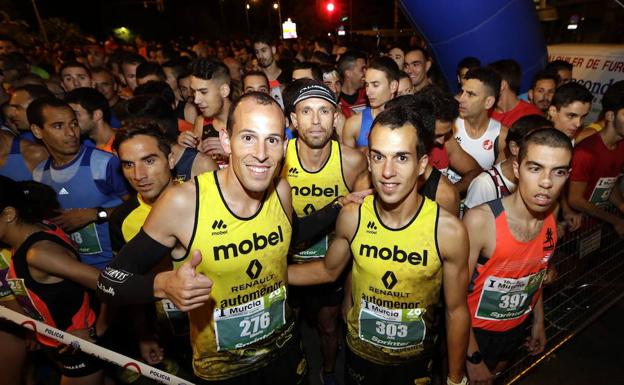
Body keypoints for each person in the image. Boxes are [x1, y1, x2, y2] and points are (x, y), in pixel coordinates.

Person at [97, 91, 359, 383]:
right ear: (226, 141)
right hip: (224, 370)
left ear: (284, 146)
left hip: (286, 353)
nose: (261, 153)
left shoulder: (281, 191)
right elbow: (109, 282)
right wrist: (161, 284)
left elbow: (292, 236)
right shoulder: (183, 202)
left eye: (272, 140)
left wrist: (341, 207)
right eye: (248, 137)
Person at [288, 104, 470, 385]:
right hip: (360, 357)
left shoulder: (448, 231)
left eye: (401, 157)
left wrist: (456, 379)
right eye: (379, 157)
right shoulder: (353, 215)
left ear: (421, 165)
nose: (387, 171)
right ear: (369, 161)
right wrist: (266, 274)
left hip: (416, 362)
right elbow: (328, 271)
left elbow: (456, 310)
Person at [463, 128, 573, 384]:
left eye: (558, 171)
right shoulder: (481, 221)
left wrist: (538, 321)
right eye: (535, 168)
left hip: (516, 329)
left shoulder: (552, 213)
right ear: (516, 168)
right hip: (473, 335)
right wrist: (472, 358)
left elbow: (535, 272)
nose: (546, 182)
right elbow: (453, 299)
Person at [283, 79, 368, 385]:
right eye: (306, 112)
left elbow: (362, 226)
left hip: (331, 263)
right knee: (285, 327)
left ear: (336, 119)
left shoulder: (354, 160)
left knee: (329, 326)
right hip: (284, 263)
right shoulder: (276, 159)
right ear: (293, 120)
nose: (316, 120)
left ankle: (329, 372)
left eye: (323, 111)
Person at [0, 176, 109, 384]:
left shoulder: (37, 254)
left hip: (80, 346)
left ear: (8, 214)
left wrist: (97, 330)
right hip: (63, 344)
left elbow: (110, 285)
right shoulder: (28, 234)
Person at [28, 97, 128, 269]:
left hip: (118, 266)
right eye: (58, 126)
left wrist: (96, 214)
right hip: (74, 270)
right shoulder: (39, 174)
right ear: (37, 131)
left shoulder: (103, 164)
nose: (71, 133)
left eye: (73, 123)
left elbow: (139, 207)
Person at [464, 114, 554, 209]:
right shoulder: (485, 184)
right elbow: (471, 222)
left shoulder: (545, 182)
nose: (546, 151)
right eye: (539, 144)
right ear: (514, 148)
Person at [568, 93, 624, 236]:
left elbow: (609, 184)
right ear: (610, 116)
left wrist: (622, 206)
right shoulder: (586, 153)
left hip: (597, 225)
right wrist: (614, 220)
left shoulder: (621, 146)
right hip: (574, 229)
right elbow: (575, 199)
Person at [177, 59, 231, 166]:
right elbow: (194, 166)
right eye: (194, 92)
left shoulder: (246, 120)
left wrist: (231, 154)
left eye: (203, 92)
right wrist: (183, 148)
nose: (196, 100)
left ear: (224, 91)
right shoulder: (201, 122)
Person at [455, 67, 507, 170]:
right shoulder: (448, 124)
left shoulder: (501, 137)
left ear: (488, 102)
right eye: (462, 92)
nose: (461, 99)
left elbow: (498, 182)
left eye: (470, 94)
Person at [342, 57, 399, 149]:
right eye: (367, 85)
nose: (368, 92)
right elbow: (347, 162)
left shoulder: (408, 121)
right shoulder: (354, 124)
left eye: (375, 85)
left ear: (393, 86)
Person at [489, 60, 542, 128]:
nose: (484, 88)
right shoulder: (483, 113)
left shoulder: (532, 115)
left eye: (489, 82)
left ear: (502, 85)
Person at [65, 87, 117, 152]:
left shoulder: (121, 146)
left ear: (97, 115)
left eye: (75, 114)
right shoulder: (86, 148)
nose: (71, 120)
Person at [336, 51, 368, 118]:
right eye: (362, 69)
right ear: (348, 73)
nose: (366, 73)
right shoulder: (335, 99)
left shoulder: (369, 94)